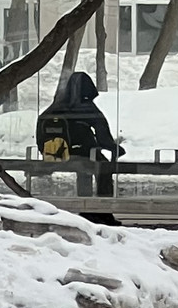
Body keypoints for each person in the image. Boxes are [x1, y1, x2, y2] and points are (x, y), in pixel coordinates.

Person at [35, 68, 121, 215]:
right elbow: (103, 135)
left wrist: (45, 149)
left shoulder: (57, 106)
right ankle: (102, 209)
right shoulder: (87, 107)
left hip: (57, 153)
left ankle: (84, 204)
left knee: (84, 167)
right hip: (85, 153)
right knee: (103, 167)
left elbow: (40, 129)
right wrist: (114, 148)